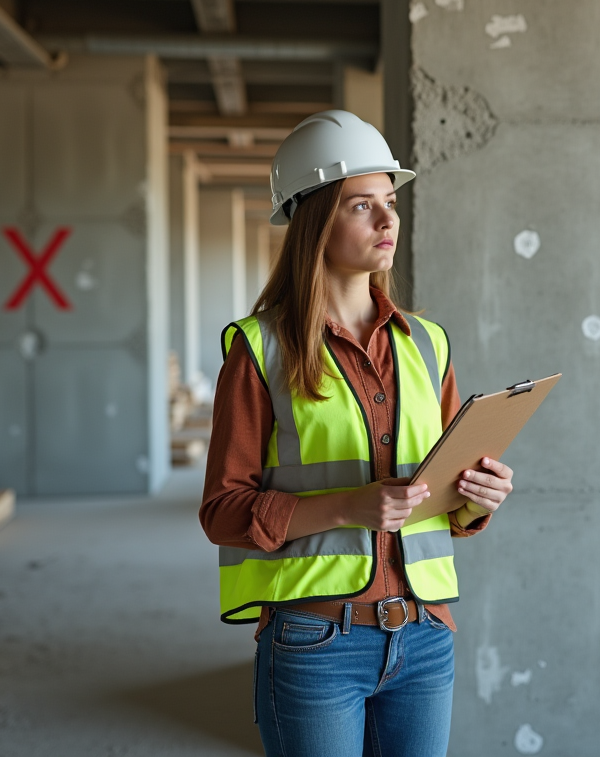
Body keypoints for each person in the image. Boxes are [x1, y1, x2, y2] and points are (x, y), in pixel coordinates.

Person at [199, 110, 515, 757]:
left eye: (390, 203)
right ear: (315, 220)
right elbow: (223, 513)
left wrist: (477, 497)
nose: (387, 220)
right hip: (318, 644)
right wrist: (349, 506)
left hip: (425, 637)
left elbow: (444, 504)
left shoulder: (427, 345)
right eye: (361, 205)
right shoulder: (259, 351)